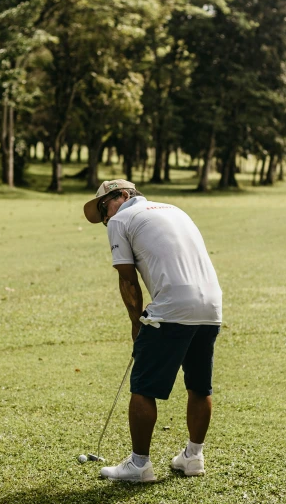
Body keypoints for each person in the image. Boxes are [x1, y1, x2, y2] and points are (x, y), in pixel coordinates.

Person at [84, 179, 222, 482]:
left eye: (103, 208)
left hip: (172, 306)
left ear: (121, 195)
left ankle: (139, 465)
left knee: (143, 386)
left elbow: (128, 280)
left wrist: (136, 324)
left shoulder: (121, 220)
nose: (104, 217)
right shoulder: (175, 209)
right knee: (199, 384)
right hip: (211, 306)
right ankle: (193, 457)